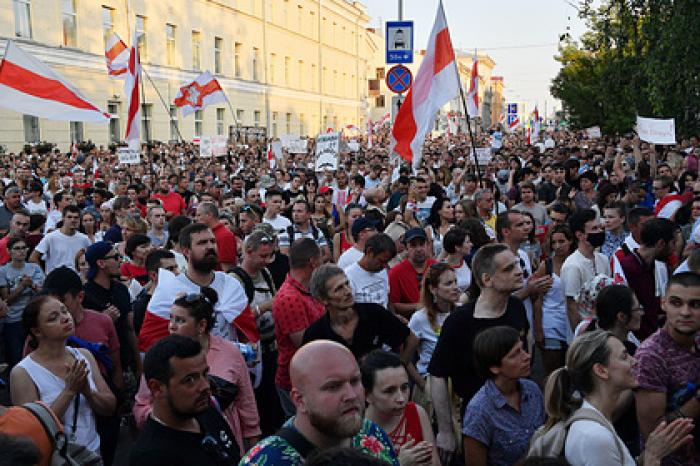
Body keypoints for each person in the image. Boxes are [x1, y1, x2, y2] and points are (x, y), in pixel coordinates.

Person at [428, 244, 530, 462]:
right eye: (508, 268)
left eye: (518, 265)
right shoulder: (460, 321)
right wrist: (445, 430)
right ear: (487, 279)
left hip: (519, 412)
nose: (519, 271)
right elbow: (437, 374)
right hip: (479, 422)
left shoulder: (516, 307)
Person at [133, 289, 260, 453]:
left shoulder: (231, 353)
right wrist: (172, 414)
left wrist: (253, 448)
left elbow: (247, 404)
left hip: (226, 447)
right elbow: (141, 406)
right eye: (170, 318)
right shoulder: (160, 356)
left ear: (201, 325)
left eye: (180, 320)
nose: (171, 326)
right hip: (176, 450)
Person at [540, 330, 693, 466]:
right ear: (601, 370)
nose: (635, 361)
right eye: (624, 356)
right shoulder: (595, 437)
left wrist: (647, 455)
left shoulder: (598, 422)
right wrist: (653, 457)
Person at [240, 340, 399, 465]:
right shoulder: (265, 461)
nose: (351, 395)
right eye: (333, 387)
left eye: (355, 381)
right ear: (299, 400)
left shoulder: (372, 434)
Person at [10, 295, 116, 453]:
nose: (65, 318)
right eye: (53, 318)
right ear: (37, 331)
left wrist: (89, 393)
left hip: (92, 452)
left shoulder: (84, 355)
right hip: (55, 457)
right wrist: (69, 391)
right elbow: (32, 430)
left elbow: (110, 406)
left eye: (64, 311)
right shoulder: (23, 372)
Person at [129, 335, 242, 465]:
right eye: (190, 380)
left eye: (205, 374)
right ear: (157, 388)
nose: (205, 386)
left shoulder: (205, 410)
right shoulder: (151, 457)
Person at [139, 223, 247, 352]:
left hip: (227, 365)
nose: (210, 247)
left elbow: (246, 332)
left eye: (212, 241)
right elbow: (152, 344)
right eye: (202, 243)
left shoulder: (231, 285)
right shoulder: (168, 290)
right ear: (186, 251)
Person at [303, 265, 420, 377]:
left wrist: (395, 374)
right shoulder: (315, 335)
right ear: (323, 299)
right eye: (339, 289)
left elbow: (411, 340)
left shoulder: (373, 313)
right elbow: (309, 371)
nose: (348, 291)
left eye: (347, 284)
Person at [634, 272, 700, 466]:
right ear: (663, 304)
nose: (685, 312)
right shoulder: (651, 356)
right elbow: (655, 435)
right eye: (676, 303)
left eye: (695, 304)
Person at [462, 326, 544, 466]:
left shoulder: (532, 390)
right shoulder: (479, 411)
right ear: (494, 367)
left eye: (523, 349)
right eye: (515, 354)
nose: (527, 356)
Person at [230, 230, 283, 436]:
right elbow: (236, 319)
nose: (266, 261)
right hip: (253, 355)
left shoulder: (265, 273)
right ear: (248, 252)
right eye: (262, 256)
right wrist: (265, 307)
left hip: (272, 347)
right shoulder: (236, 279)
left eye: (269, 255)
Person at [273, 238, 325, 418]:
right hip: (296, 383)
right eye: (321, 258)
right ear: (312, 262)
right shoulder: (289, 298)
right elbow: (304, 344)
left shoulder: (308, 289)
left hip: (312, 376)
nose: (323, 263)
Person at [361, 350, 439, 466]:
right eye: (389, 391)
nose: (401, 398)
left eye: (404, 388)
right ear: (366, 395)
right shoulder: (358, 431)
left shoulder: (416, 412)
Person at [83, 241, 142, 383]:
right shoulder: (84, 295)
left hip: (125, 361)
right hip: (99, 367)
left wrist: (139, 365)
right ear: (101, 263)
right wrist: (104, 321)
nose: (120, 261)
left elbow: (129, 328)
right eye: (115, 257)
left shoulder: (121, 290)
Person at [408, 263, 460, 406]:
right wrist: (424, 386)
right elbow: (405, 358)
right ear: (433, 289)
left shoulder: (462, 312)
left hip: (459, 383)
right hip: (433, 384)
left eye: (455, 281)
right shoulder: (419, 318)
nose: (455, 287)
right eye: (448, 283)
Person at [617, 218, 678, 340]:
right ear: (661, 244)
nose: (674, 249)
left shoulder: (651, 266)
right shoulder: (628, 268)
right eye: (673, 243)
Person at [561, 208, 610, 330]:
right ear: (580, 235)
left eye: (599, 228)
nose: (599, 231)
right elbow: (572, 306)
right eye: (594, 229)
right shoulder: (572, 266)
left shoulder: (603, 259)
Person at [535, 225, 575, 377]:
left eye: (561, 241)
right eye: (554, 243)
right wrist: (538, 330)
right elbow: (537, 299)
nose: (557, 246)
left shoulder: (577, 262)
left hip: (572, 323)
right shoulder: (546, 266)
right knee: (553, 372)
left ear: (570, 241)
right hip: (551, 323)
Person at [0, 236, 44, 368]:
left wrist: (32, 286)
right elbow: (6, 299)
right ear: (9, 251)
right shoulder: (3, 271)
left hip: (33, 318)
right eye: (17, 248)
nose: (21, 251)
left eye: (24, 248)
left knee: (37, 357)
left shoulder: (34, 268)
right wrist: (22, 287)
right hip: (12, 320)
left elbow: (43, 293)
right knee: (17, 359)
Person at [388, 228, 437, 317]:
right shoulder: (395, 273)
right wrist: (422, 306)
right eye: (413, 245)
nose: (418, 249)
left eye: (422, 244)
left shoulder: (437, 267)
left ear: (428, 245)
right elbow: (394, 305)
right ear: (406, 248)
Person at [30, 205, 91, 274]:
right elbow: (33, 258)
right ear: (63, 218)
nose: (73, 220)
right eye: (69, 217)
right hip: (55, 280)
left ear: (80, 219)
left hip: (77, 280)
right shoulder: (50, 237)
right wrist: (44, 276)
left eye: (76, 217)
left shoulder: (84, 239)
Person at [344, 233, 395, 307]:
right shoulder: (348, 276)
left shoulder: (382, 271)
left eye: (386, 262)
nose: (384, 266)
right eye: (381, 261)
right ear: (369, 251)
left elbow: (387, 299)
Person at [195, 202, 238, 272]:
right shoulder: (210, 233)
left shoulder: (224, 236)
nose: (196, 218)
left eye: (199, 215)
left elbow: (227, 268)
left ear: (209, 215)